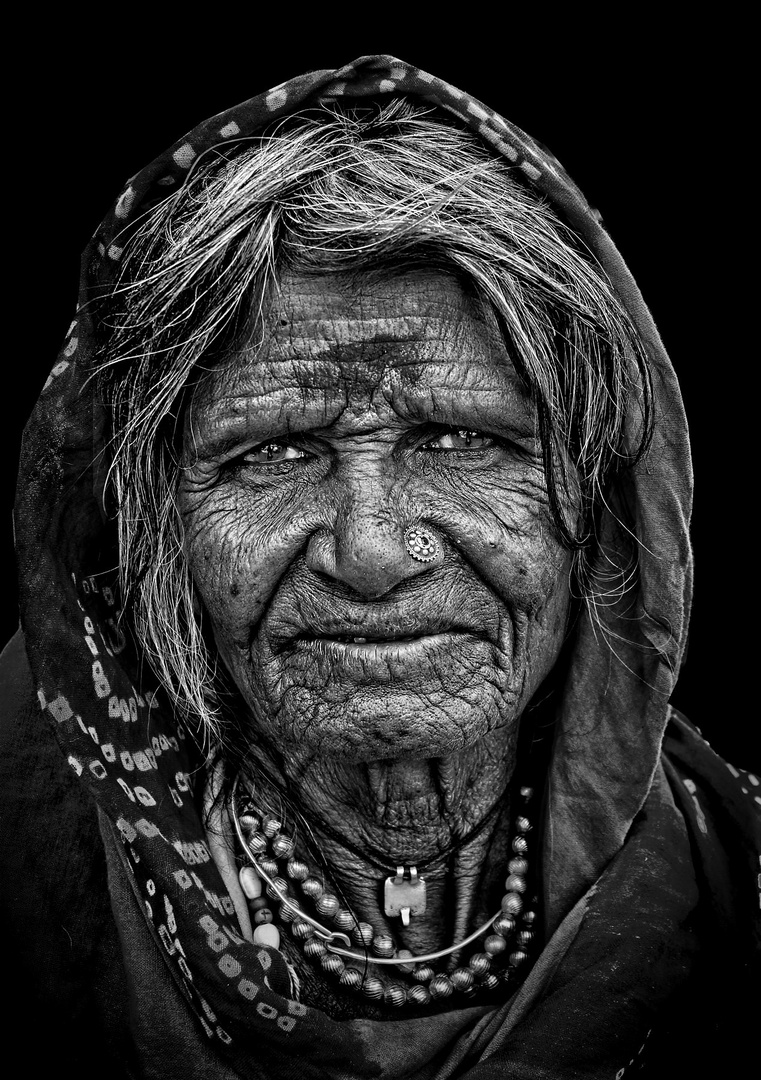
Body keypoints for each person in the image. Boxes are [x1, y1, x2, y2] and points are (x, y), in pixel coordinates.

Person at [1, 55, 757, 1078]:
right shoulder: (24, 819)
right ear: (152, 523)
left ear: (598, 497)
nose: (368, 551)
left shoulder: (725, 878)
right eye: (272, 451)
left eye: (457, 440)